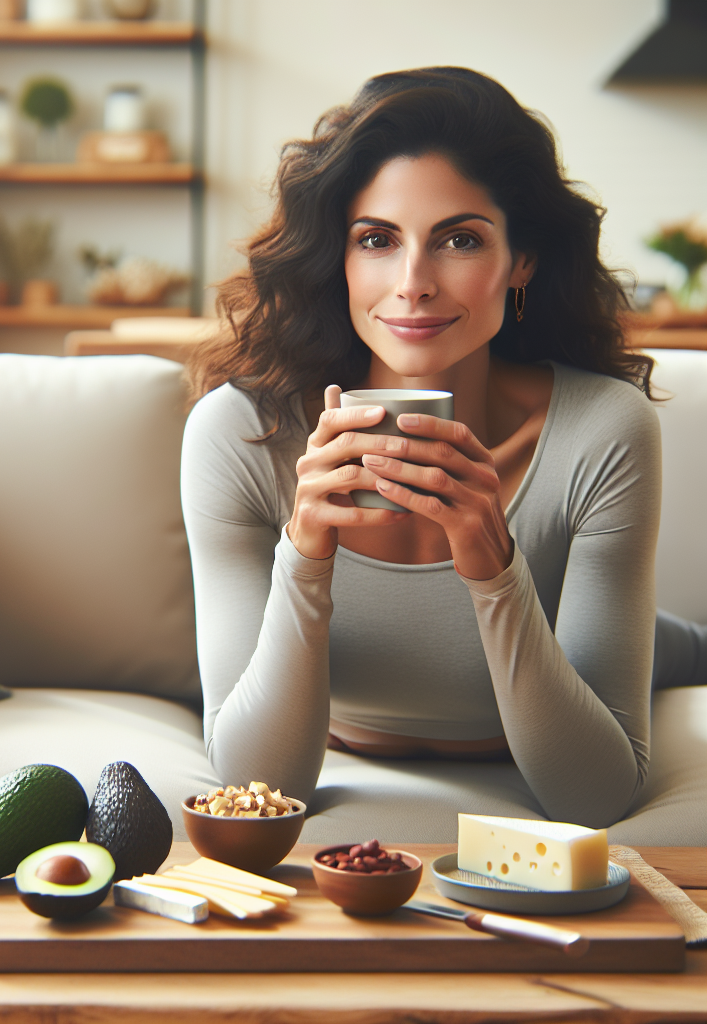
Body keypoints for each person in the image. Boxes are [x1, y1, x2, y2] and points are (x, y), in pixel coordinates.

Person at [180, 67, 706, 830]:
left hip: (628, 646)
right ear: (341, 257)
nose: (414, 283)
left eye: (459, 239)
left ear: (520, 261)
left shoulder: (604, 430)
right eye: (377, 240)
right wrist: (306, 553)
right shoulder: (240, 434)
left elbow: (592, 796)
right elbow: (256, 785)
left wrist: (496, 571)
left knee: (673, 646)